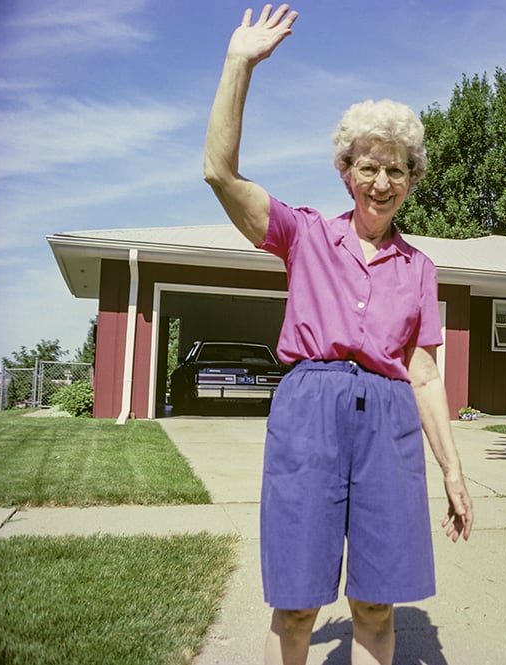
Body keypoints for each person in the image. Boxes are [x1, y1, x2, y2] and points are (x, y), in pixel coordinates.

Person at [203, 6, 474, 665]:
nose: (382, 182)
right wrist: (239, 64)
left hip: (388, 421)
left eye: (397, 170)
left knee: (378, 604)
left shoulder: (420, 270)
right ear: (345, 169)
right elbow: (219, 173)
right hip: (309, 412)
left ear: (412, 180)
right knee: (296, 604)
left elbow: (425, 374)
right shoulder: (303, 236)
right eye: (368, 166)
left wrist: (453, 468)